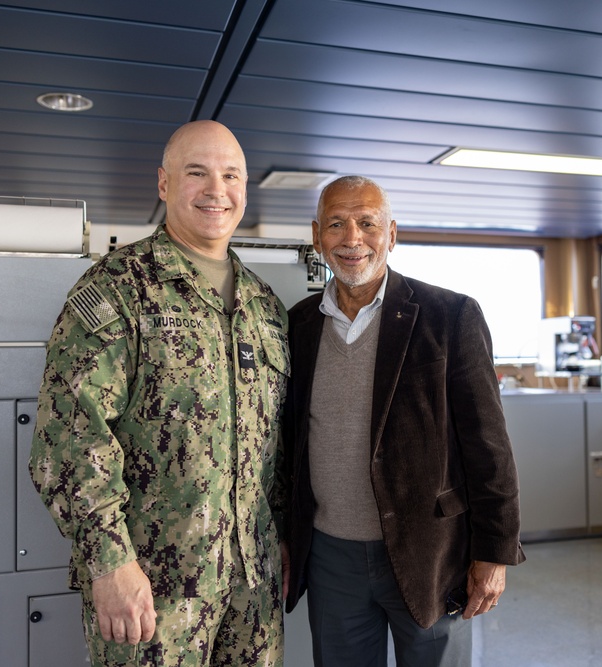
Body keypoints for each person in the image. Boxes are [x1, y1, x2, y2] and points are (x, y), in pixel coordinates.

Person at [29, 120, 290, 667]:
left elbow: (274, 443)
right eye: (197, 173)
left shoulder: (265, 307)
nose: (216, 190)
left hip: (253, 584)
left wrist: (282, 538)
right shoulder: (119, 286)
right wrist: (108, 563)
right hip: (151, 586)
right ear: (164, 184)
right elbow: (71, 439)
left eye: (230, 175)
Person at [283, 175, 525, 667]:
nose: (353, 239)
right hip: (331, 558)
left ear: (391, 235)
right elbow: (287, 444)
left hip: (430, 552)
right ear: (316, 236)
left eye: (367, 224)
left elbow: (489, 445)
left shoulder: (450, 315)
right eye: (336, 224)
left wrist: (494, 553)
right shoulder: (297, 324)